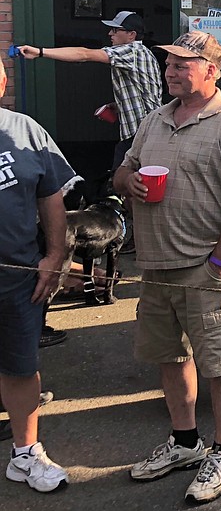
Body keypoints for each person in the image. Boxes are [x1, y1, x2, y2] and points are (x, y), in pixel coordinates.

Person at [113, 31, 221, 504]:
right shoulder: (154, 119)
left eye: (182, 65)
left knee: (219, 364)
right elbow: (122, 171)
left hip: (204, 269)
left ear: (211, 71)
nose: (170, 71)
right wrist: (129, 182)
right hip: (154, 266)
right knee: (171, 358)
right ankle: (184, 443)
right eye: (169, 64)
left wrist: (220, 260)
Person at [0, 63, 74, 494]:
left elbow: (51, 197)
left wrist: (54, 255)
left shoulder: (25, 130)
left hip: (19, 275)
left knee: (21, 366)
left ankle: (25, 454)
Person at [19, 10, 162, 169]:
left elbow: (84, 54)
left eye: (115, 29)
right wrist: (118, 105)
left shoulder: (131, 52)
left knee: (123, 181)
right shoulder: (143, 53)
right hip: (145, 132)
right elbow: (144, 92)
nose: (110, 33)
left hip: (140, 135)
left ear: (131, 35)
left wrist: (39, 52)